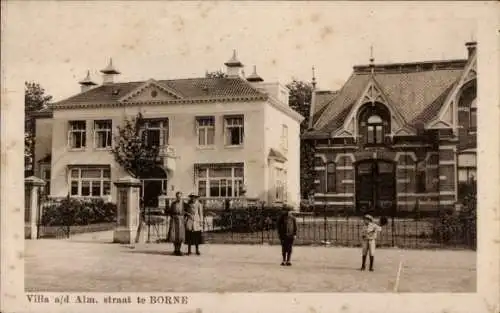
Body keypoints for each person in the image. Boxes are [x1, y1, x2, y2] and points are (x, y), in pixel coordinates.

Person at [166, 191, 187, 256]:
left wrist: (184, 219)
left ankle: (179, 250)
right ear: (176, 197)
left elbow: (186, 212)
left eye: (180, 196)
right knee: (174, 235)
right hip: (174, 220)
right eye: (177, 196)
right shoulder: (173, 204)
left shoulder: (184, 204)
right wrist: (172, 217)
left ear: (181, 197)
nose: (179, 198)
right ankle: (175, 250)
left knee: (180, 236)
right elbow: (170, 212)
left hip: (181, 220)